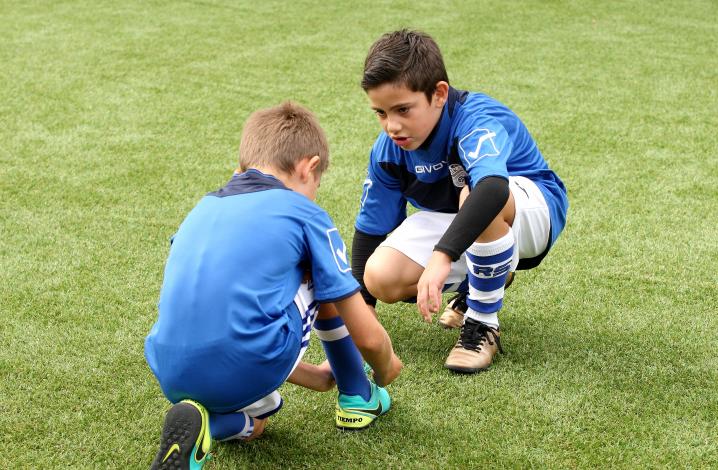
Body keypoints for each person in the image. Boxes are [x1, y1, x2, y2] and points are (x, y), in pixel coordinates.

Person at [144, 102, 402, 469]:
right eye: (316, 184)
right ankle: (358, 396)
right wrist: (386, 364)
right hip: (248, 364)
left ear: (241, 167)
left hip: (170, 370)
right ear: (309, 168)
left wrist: (312, 376)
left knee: (258, 424)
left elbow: (223, 314)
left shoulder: (201, 209)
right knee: (324, 273)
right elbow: (368, 336)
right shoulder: (303, 213)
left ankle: (208, 425)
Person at [351, 30, 568, 374]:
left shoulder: (475, 118)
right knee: (379, 276)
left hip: (532, 211)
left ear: (439, 94)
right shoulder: (388, 151)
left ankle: (482, 322)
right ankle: (483, 282)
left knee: (475, 193)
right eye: (381, 112)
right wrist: (362, 311)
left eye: (403, 109)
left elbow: (493, 190)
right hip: (464, 224)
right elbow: (370, 228)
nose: (392, 125)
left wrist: (442, 255)